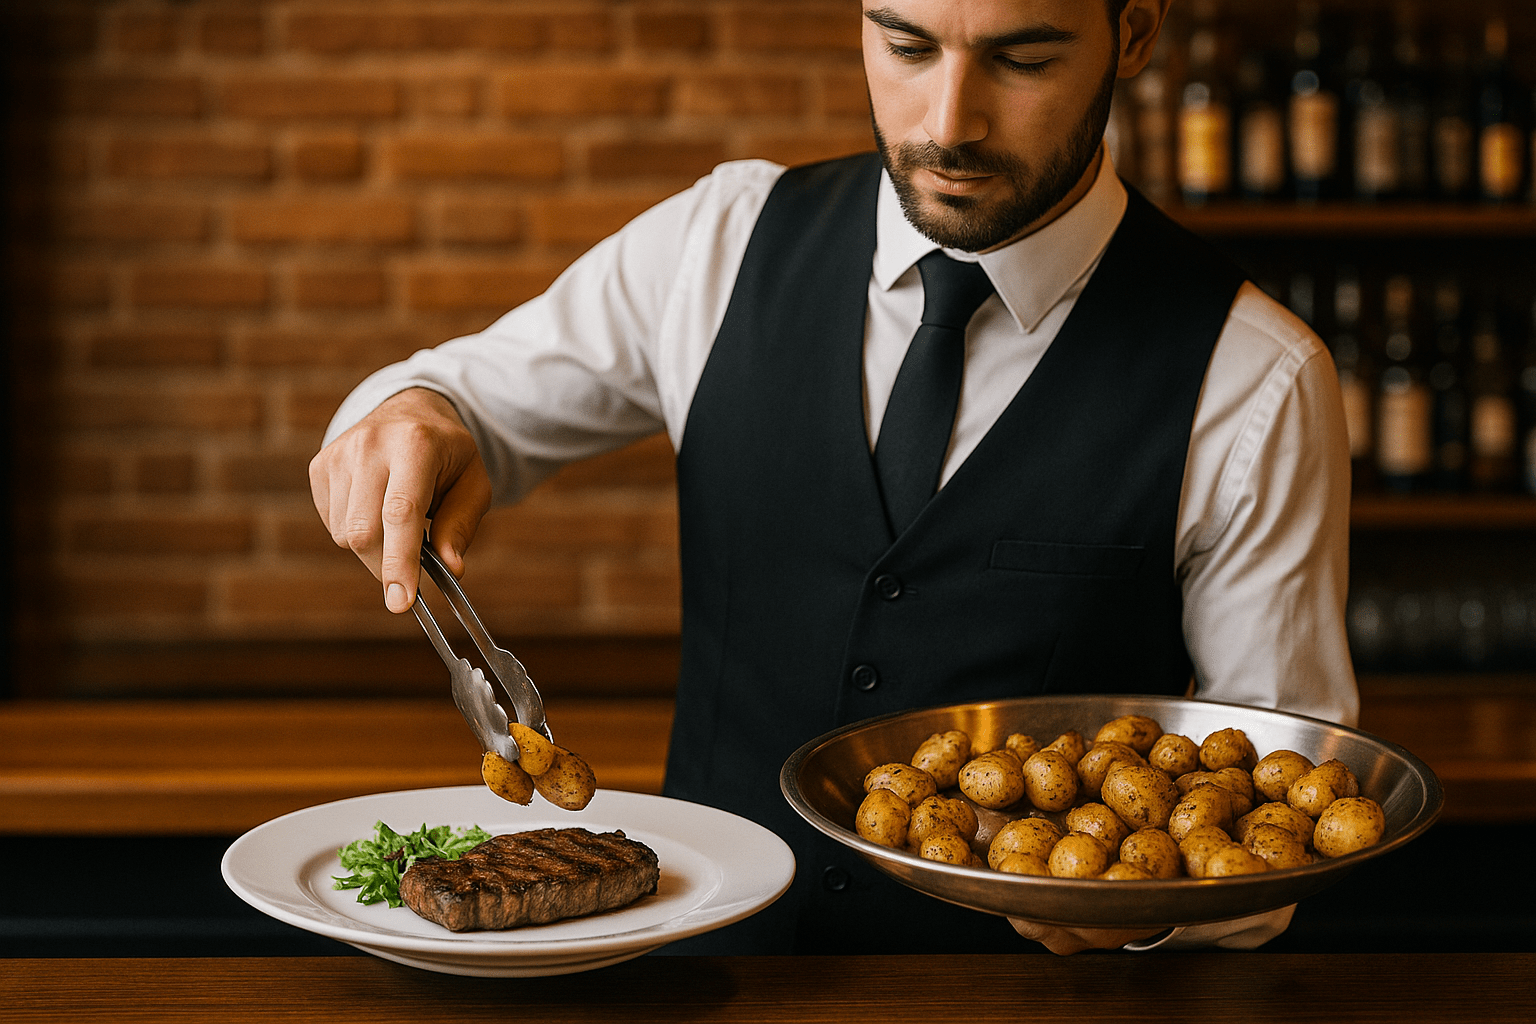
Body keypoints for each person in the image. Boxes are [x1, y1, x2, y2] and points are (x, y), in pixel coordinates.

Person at [311, 0, 1358, 955]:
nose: (950, 122)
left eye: (1023, 59)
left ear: (1134, 34)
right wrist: (414, 416)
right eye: (906, 45)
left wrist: (1149, 912)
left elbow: (1285, 824)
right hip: (696, 995)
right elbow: (456, 397)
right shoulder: (719, 245)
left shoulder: (1255, 377)